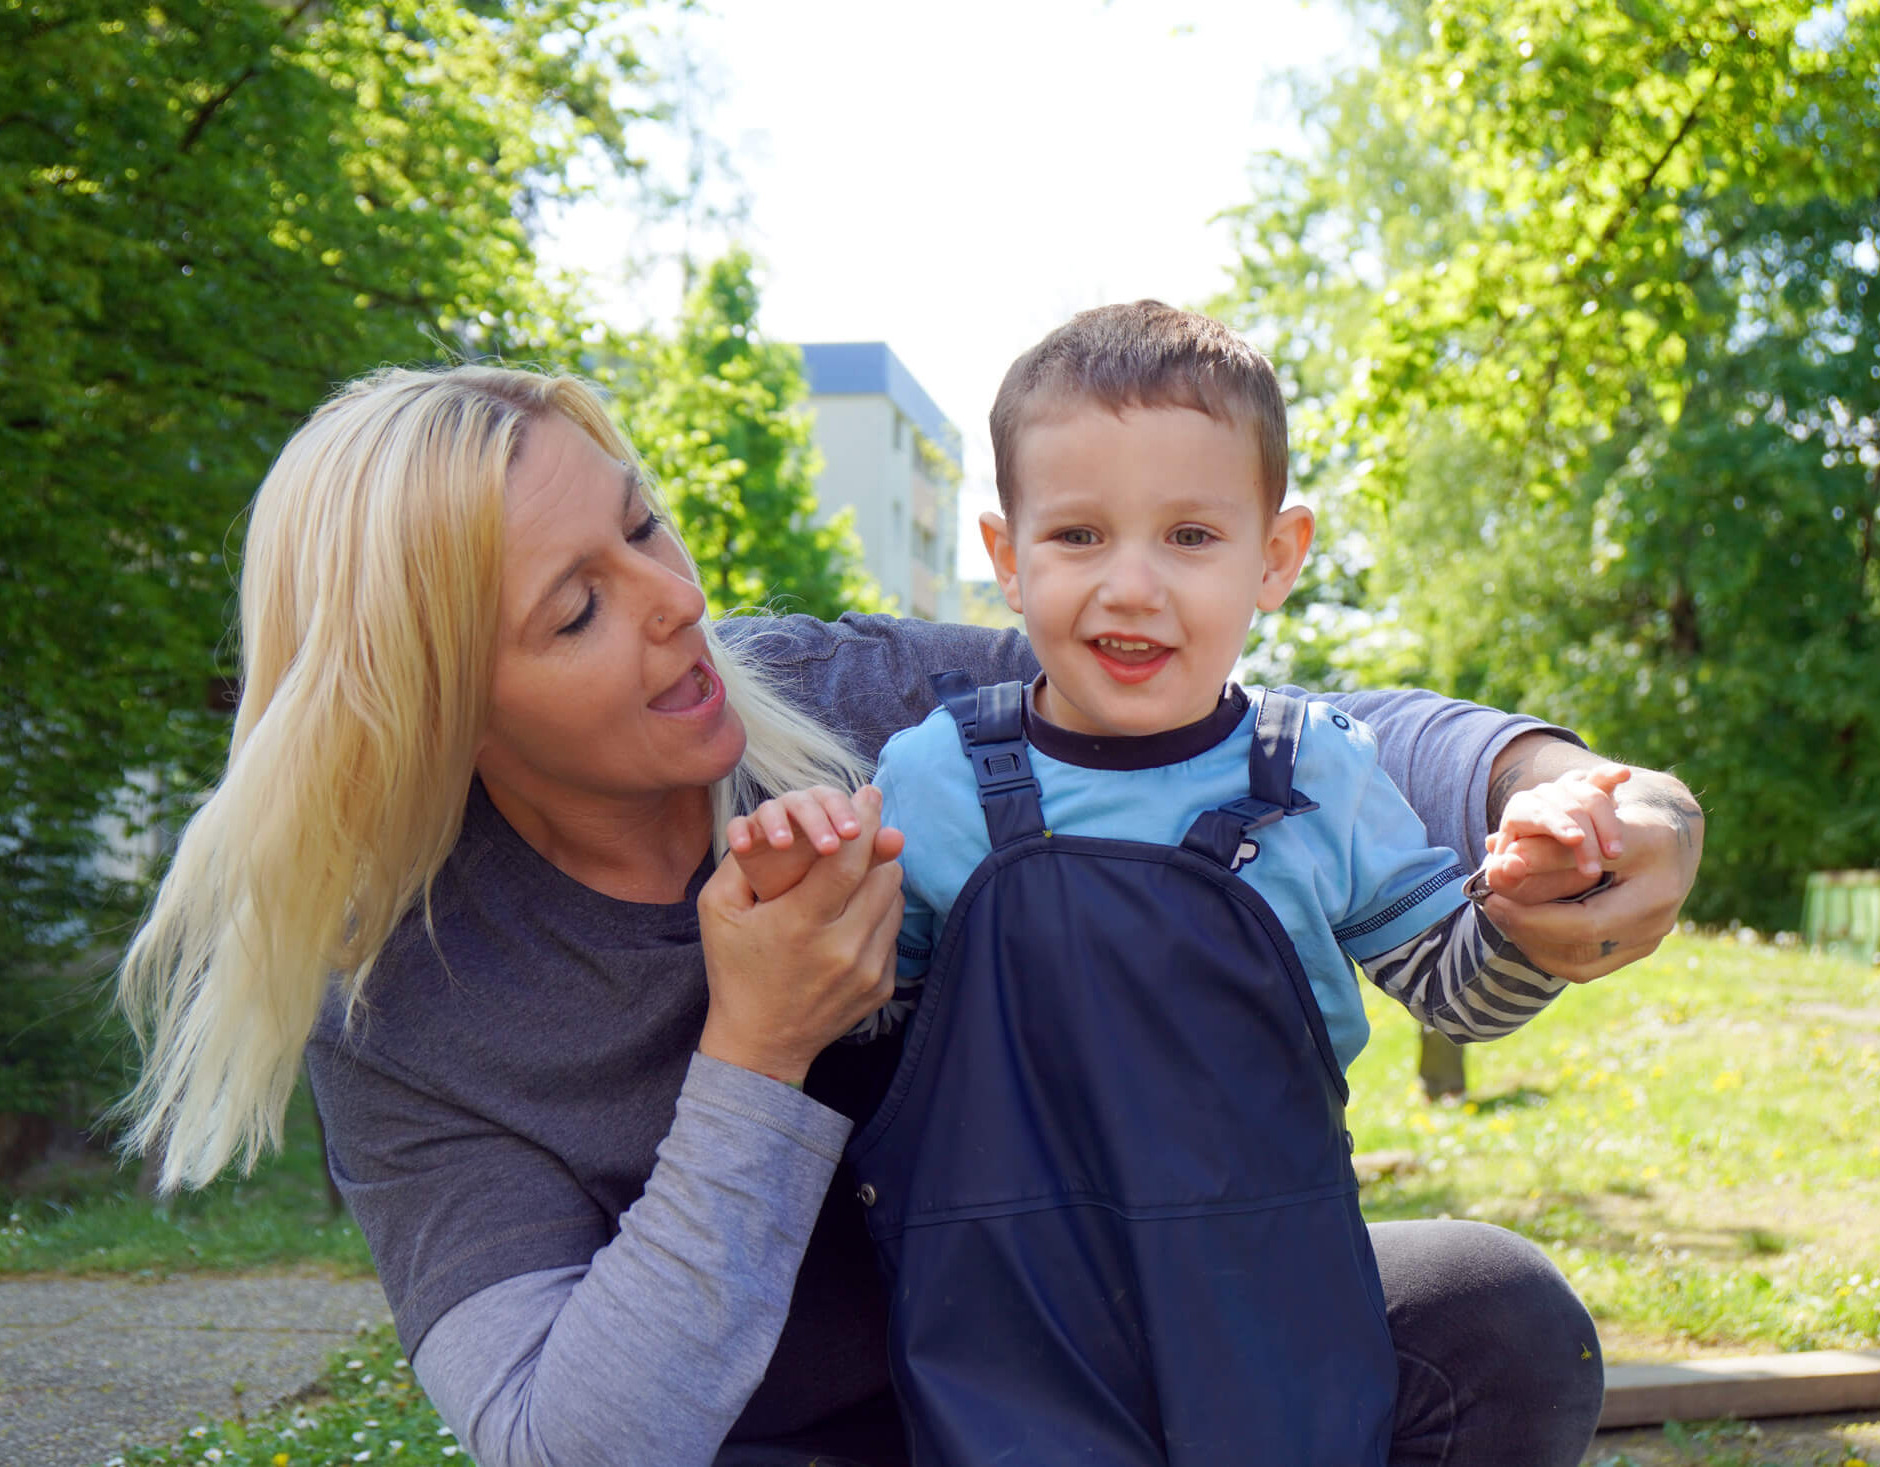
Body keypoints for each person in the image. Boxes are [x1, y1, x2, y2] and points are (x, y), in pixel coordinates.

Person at [115, 362, 1704, 1467]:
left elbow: (1269, 725)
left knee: (1483, 1317)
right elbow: (569, 1437)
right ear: (445, 703)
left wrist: (1563, 781)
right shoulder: (408, 1018)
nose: (672, 599)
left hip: (1109, 1347)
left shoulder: (854, 701)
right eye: (575, 605)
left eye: (643, 522)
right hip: (798, 1436)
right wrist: (757, 1049)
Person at [721, 302, 1628, 1465]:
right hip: (1004, 1347)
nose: (1132, 586)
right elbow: (857, 1029)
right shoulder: (937, 779)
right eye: (1080, 537)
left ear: (1276, 558)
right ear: (1008, 558)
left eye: (1191, 537)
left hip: (1272, 1332)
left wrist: (1528, 904)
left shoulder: (1321, 777)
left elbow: (1462, 1001)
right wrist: (809, 893)